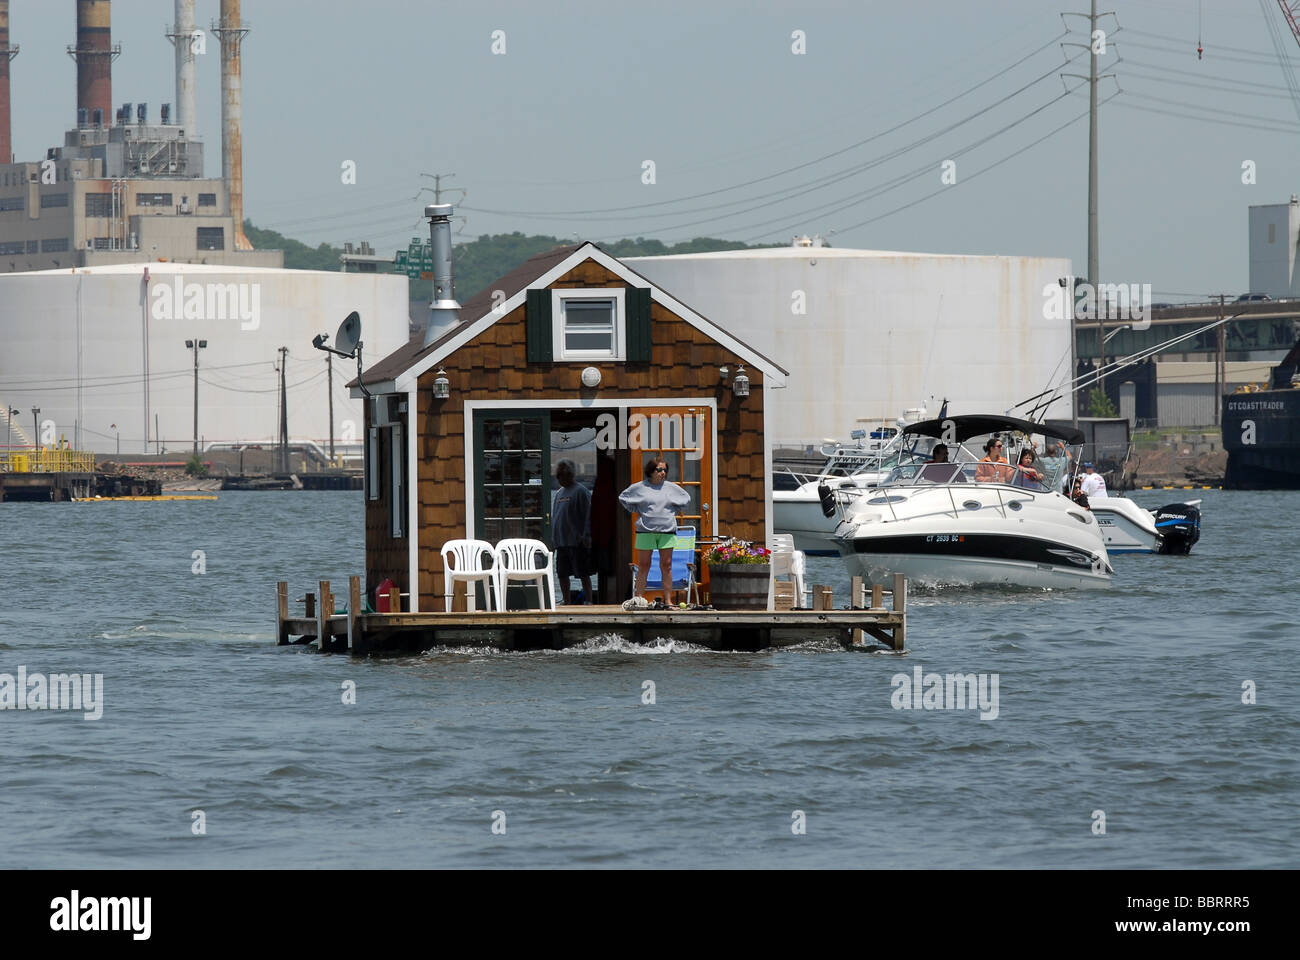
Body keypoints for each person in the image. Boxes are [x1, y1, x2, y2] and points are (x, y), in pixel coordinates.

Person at [619, 458, 691, 602]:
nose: (662, 472)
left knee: (667, 565)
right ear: (651, 471)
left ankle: (668, 601)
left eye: (665, 470)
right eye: (659, 469)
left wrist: (674, 509)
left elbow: (686, 499)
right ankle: (639, 599)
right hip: (645, 532)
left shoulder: (672, 487)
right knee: (644, 565)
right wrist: (636, 509)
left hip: (667, 531)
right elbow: (623, 497)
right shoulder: (639, 487)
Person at [551, 460, 594, 604]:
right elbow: (556, 516)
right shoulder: (558, 493)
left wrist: (587, 535)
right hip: (560, 542)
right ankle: (567, 600)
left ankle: (589, 600)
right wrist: (553, 539)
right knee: (562, 574)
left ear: (569, 475)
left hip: (577, 541)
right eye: (557, 476)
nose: (559, 479)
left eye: (561, 476)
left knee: (583, 573)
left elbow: (589, 514)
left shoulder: (581, 491)